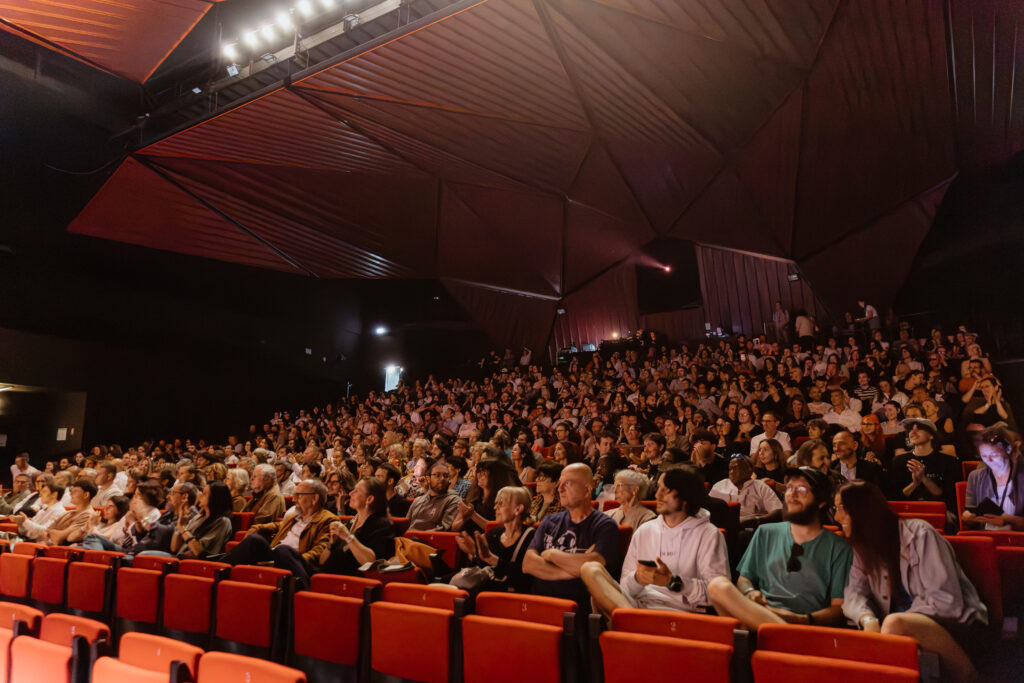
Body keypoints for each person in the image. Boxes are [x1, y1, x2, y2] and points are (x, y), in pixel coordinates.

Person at [836, 481, 986, 683]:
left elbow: (947, 602)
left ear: (862, 512)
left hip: (957, 626)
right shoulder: (861, 548)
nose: (836, 517)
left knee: (894, 623)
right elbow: (853, 595)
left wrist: (897, 626)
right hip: (897, 633)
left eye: (841, 509)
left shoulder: (920, 534)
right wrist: (868, 620)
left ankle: (971, 676)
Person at [708, 467, 852, 628]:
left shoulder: (839, 547)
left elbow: (838, 609)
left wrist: (800, 619)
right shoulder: (765, 532)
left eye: (802, 489)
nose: (792, 494)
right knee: (718, 586)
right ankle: (774, 626)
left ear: (821, 502)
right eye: (789, 488)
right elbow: (744, 579)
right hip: (761, 614)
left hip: (804, 625)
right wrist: (750, 593)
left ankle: (780, 629)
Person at [582, 467, 729, 618]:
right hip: (638, 606)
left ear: (685, 497)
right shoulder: (645, 530)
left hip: (681, 613)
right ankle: (631, 619)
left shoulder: (709, 534)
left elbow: (717, 595)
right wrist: (638, 578)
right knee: (590, 569)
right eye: (658, 488)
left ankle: (629, 622)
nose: (657, 495)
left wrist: (672, 581)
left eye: (665, 491)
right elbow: (625, 586)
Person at [523, 463, 620, 614]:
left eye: (567, 483)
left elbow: (595, 565)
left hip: (577, 610)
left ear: (587, 490)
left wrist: (552, 556)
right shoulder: (549, 522)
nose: (560, 489)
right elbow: (528, 564)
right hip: (538, 603)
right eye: (560, 483)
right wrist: (575, 569)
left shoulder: (605, 526)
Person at [224, 479, 336, 589]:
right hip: (276, 555)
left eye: (299, 495)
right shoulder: (294, 517)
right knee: (254, 539)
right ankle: (218, 568)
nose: (294, 499)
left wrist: (295, 557)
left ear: (314, 498)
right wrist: (258, 527)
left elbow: (319, 551)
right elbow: (278, 525)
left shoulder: (327, 520)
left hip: (299, 562)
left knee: (283, 549)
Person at [454, 486, 536, 594]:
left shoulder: (531, 536)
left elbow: (526, 576)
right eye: (496, 503)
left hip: (516, 598)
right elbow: (482, 569)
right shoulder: (494, 533)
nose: (495, 508)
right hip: (488, 592)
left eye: (501, 503)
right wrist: (473, 554)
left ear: (518, 509)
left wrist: (493, 559)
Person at [317, 477, 396, 575]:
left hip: (356, 583)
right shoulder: (348, 523)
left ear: (369, 499)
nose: (350, 493)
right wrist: (331, 543)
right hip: (331, 578)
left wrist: (348, 537)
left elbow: (372, 563)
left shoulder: (382, 526)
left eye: (357, 491)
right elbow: (321, 562)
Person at [887, 418, 961, 511]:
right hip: (907, 511)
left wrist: (923, 478)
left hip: (938, 511)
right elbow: (895, 497)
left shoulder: (949, 462)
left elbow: (946, 497)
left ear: (931, 435)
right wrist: (914, 484)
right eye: (911, 429)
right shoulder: (898, 461)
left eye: (919, 429)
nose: (913, 432)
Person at [962, 426, 1024, 531]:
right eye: (984, 456)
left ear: (1008, 450)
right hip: (986, 537)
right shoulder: (975, 477)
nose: (989, 460)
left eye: (994, 455)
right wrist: (968, 517)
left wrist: (1007, 520)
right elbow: (969, 511)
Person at [163, 481, 234, 559]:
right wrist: (179, 526)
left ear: (215, 498)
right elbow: (174, 548)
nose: (199, 496)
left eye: (204, 494)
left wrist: (183, 529)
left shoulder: (223, 522)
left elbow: (198, 551)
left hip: (198, 564)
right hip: (180, 558)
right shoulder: (198, 518)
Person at [708, 456, 782, 526]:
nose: (731, 472)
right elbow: (707, 510)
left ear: (749, 471)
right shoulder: (720, 485)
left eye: (736, 468)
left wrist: (757, 520)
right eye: (730, 468)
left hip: (752, 527)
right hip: (724, 526)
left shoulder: (760, 487)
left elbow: (778, 511)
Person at [406, 459, 461, 531]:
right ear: (428, 479)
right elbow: (406, 524)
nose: (442, 479)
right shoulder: (418, 500)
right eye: (437, 475)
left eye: (446, 476)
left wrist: (417, 535)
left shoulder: (453, 500)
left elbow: (444, 528)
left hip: (429, 540)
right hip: (408, 539)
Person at [45, 478, 98, 545]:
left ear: (86, 495)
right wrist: (52, 533)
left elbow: (60, 537)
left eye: (75, 491)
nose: (70, 494)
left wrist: (52, 532)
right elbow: (45, 532)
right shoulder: (67, 513)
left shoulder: (88, 515)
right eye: (71, 491)